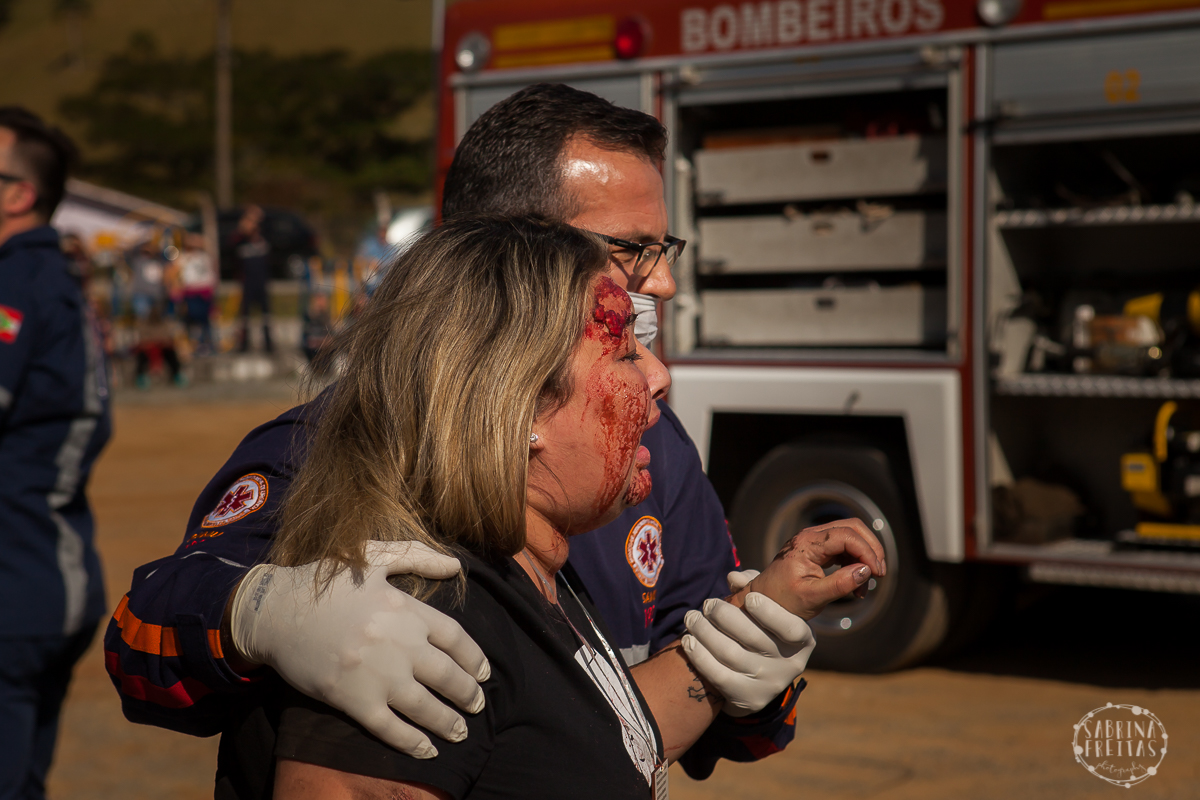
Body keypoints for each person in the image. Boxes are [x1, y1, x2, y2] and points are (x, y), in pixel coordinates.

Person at [105, 85, 885, 777]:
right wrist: (254, 614)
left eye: (665, 248)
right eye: (630, 251)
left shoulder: (652, 446)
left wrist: (756, 671)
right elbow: (139, 646)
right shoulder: (340, 440)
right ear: (508, 256)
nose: (665, 282)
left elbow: (673, 719)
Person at [0, 106, 111, 800]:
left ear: (18, 193)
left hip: (14, 582)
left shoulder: (14, 282)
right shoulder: (53, 281)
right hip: (50, 573)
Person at [229, 205, 272, 353]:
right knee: (245, 317)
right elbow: (231, 241)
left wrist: (259, 217)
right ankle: (243, 345)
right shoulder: (240, 242)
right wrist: (244, 225)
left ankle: (269, 345)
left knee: (266, 315)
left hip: (262, 283)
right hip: (247, 283)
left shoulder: (265, 240)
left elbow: (271, 229)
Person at [178, 232, 217, 355]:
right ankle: (196, 345)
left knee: (206, 320)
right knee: (192, 320)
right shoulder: (183, 257)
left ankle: (209, 345)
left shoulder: (204, 256)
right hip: (191, 293)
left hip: (205, 292)